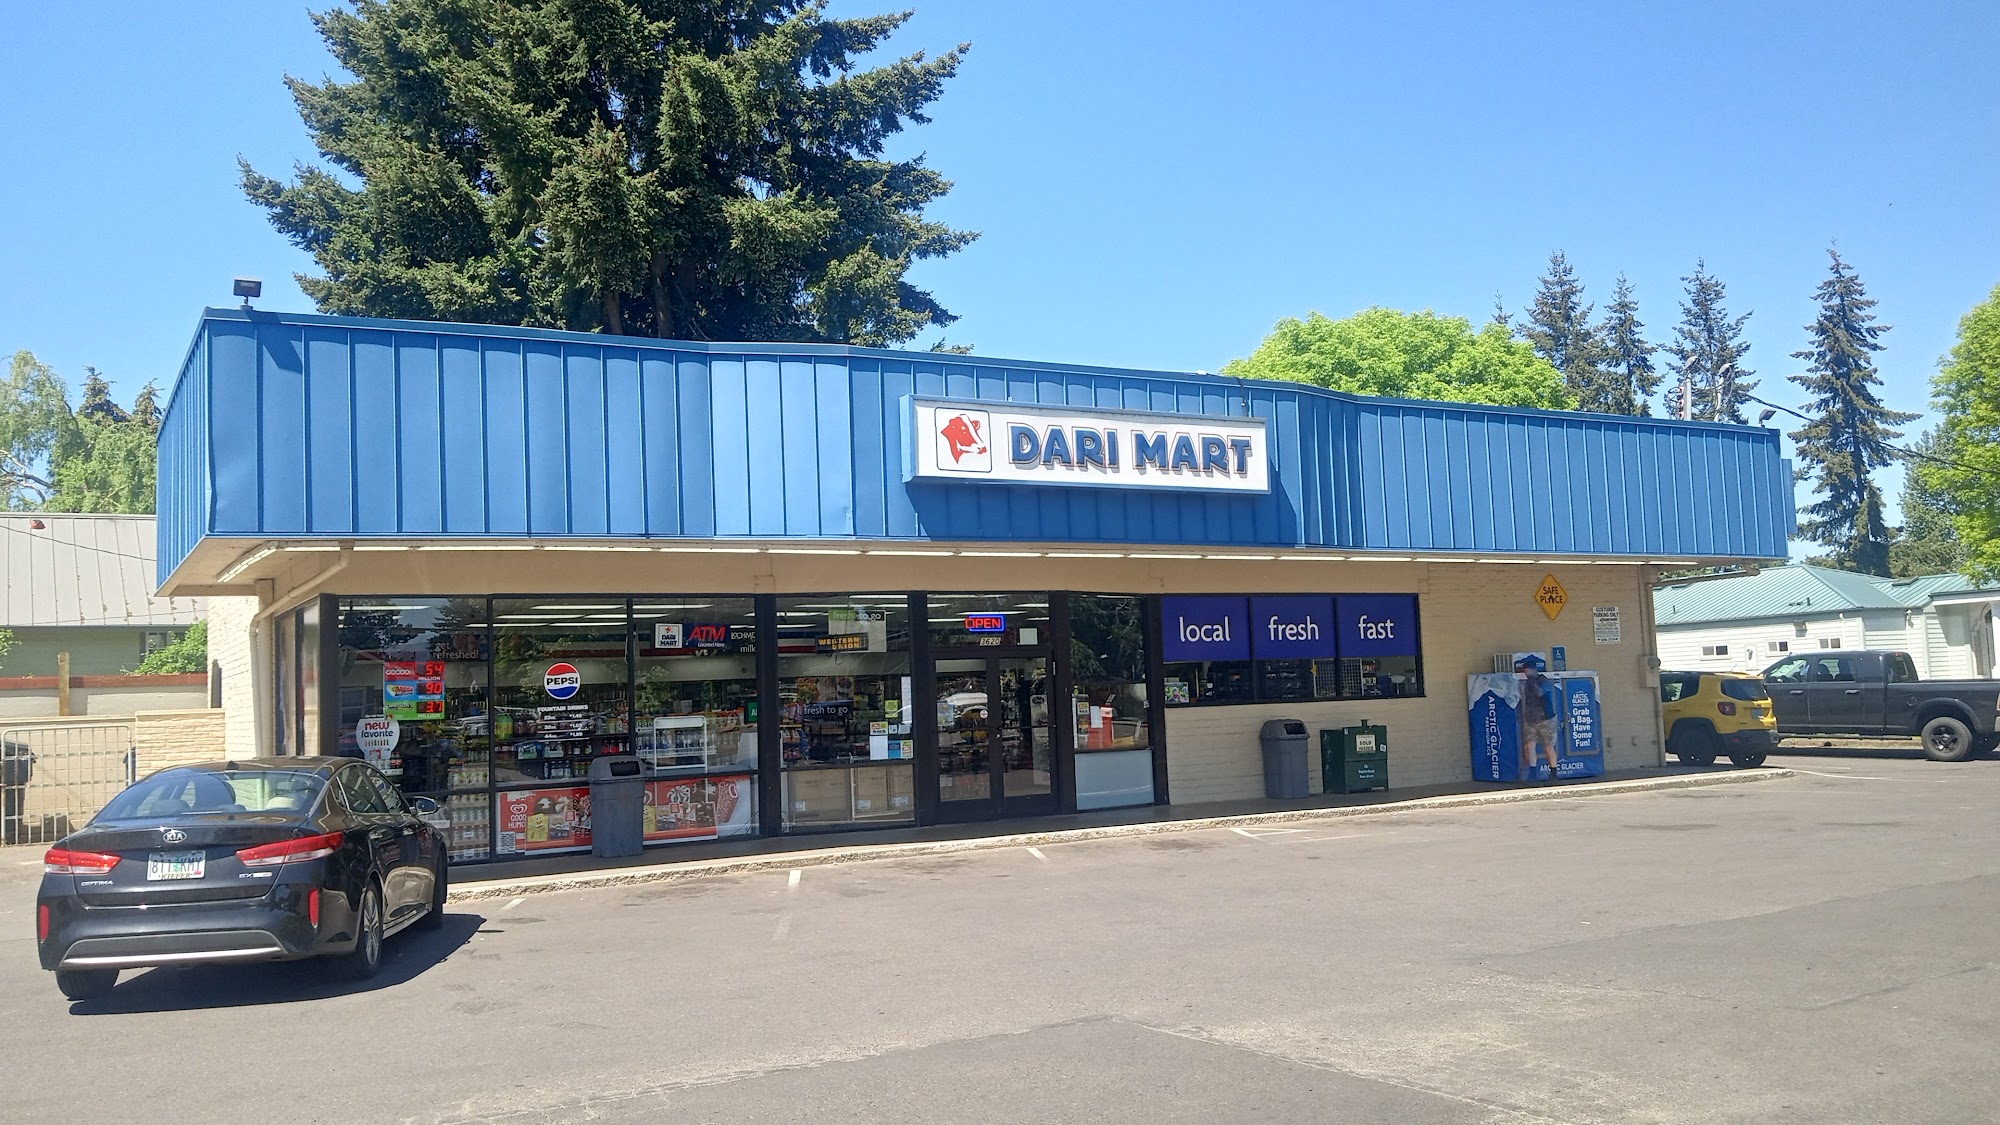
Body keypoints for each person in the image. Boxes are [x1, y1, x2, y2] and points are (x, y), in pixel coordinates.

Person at [1515, 656, 1560, 781]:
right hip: (1531, 720)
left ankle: (1553, 773)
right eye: (1525, 672)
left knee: (1548, 747)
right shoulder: (1526, 683)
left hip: (1546, 719)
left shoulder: (1543, 680)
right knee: (1530, 746)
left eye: (1528, 671)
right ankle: (1533, 773)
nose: (1526, 674)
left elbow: (1540, 692)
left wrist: (1532, 681)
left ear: (1534, 670)